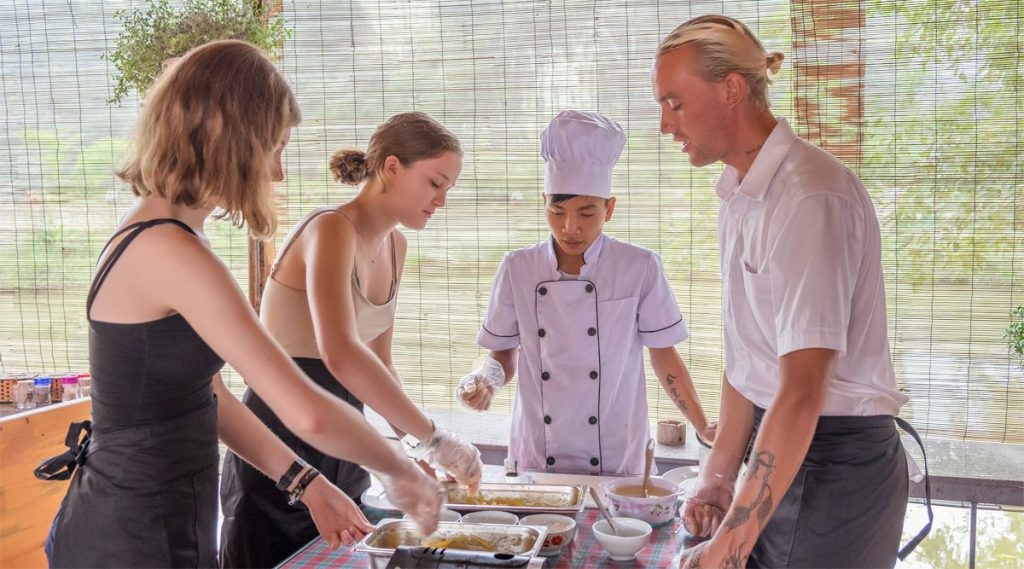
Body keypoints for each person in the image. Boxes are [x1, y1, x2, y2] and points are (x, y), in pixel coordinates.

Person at [42, 40, 443, 569]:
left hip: (160, 516)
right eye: (274, 147)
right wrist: (404, 468)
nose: (277, 172)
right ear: (228, 138)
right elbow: (303, 409)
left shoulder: (165, 235)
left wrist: (309, 485)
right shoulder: (170, 248)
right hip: (129, 531)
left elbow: (208, 397)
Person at [651, 15, 927, 568]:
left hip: (835, 467)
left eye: (675, 103)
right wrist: (716, 478)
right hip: (779, 451)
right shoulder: (739, 195)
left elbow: (801, 389)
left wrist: (729, 548)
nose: (665, 125)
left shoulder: (810, 197)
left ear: (731, 89)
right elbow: (747, 364)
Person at [219, 111, 483, 568]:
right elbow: (339, 353)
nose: (441, 199)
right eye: (435, 182)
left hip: (343, 443)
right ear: (393, 168)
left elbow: (378, 364)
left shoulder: (396, 248)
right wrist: (436, 438)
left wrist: (412, 449)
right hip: (279, 439)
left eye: (448, 189)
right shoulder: (331, 228)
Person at [457, 110, 716, 477]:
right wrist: (486, 380)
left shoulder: (639, 267)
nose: (570, 227)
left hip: (614, 452)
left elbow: (664, 356)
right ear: (544, 200)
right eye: (557, 210)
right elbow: (502, 352)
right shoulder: (519, 267)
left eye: (587, 213)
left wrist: (702, 424)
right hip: (538, 452)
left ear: (609, 208)